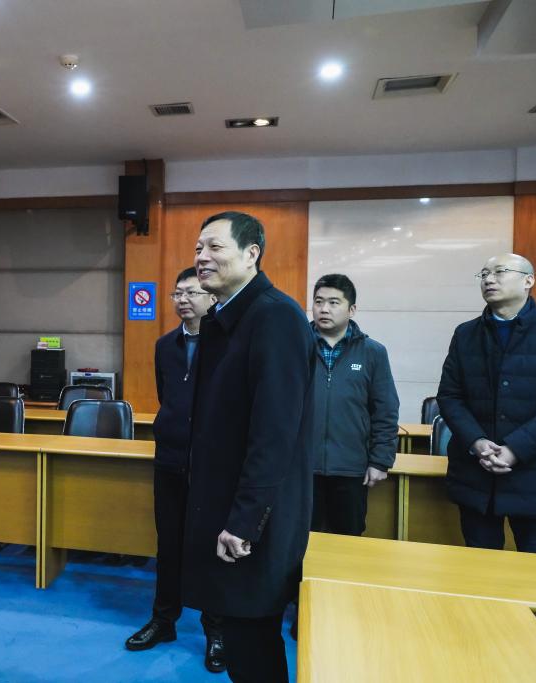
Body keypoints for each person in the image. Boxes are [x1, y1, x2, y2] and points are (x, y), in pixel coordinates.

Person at [182, 211, 314, 683]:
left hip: (254, 515)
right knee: (240, 635)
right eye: (198, 248)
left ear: (251, 253)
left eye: (215, 247)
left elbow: (274, 432)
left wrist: (244, 520)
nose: (202, 257)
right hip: (227, 504)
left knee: (253, 638)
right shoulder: (225, 318)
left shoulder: (275, 316)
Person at [126, 267, 224, 673]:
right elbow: (167, 395)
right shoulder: (165, 345)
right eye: (177, 293)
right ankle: (164, 619)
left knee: (211, 548)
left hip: (211, 464)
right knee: (168, 544)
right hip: (170, 458)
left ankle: (216, 629)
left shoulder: (226, 343)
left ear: (212, 298)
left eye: (192, 292)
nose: (183, 299)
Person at [436, 253, 536, 555]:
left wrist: (515, 449)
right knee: (479, 567)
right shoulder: (466, 334)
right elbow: (450, 396)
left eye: (500, 272)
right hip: (476, 475)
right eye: (484, 274)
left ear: (529, 281)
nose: (489, 279)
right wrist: (476, 442)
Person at [310, 273, 399, 536]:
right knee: (300, 542)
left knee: (348, 540)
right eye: (318, 301)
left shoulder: (373, 352)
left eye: (334, 302)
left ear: (352, 310)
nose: (324, 309)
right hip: (302, 468)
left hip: (351, 469)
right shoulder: (294, 346)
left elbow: (385, 411)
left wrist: (380, 461)